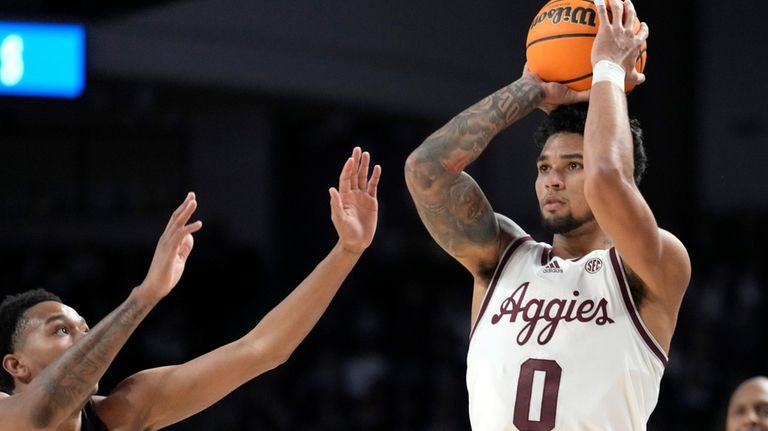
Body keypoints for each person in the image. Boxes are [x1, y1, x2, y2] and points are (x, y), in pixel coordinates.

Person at [404, 0, 689, 429]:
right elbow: (426, 170)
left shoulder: (653, 264)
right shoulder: (501, 260)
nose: (552, 180)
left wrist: (607, 68)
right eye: (544, 168)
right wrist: (532, 89)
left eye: (573, 165)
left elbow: (608, 178)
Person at [0, 146, 381, 431]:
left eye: (84, 328)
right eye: (62, 330)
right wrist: (145, 295)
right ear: (16, 365)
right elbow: (39, 415)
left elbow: (261, 349)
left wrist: (347, 252)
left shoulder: (124, 410)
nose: (84, 338)